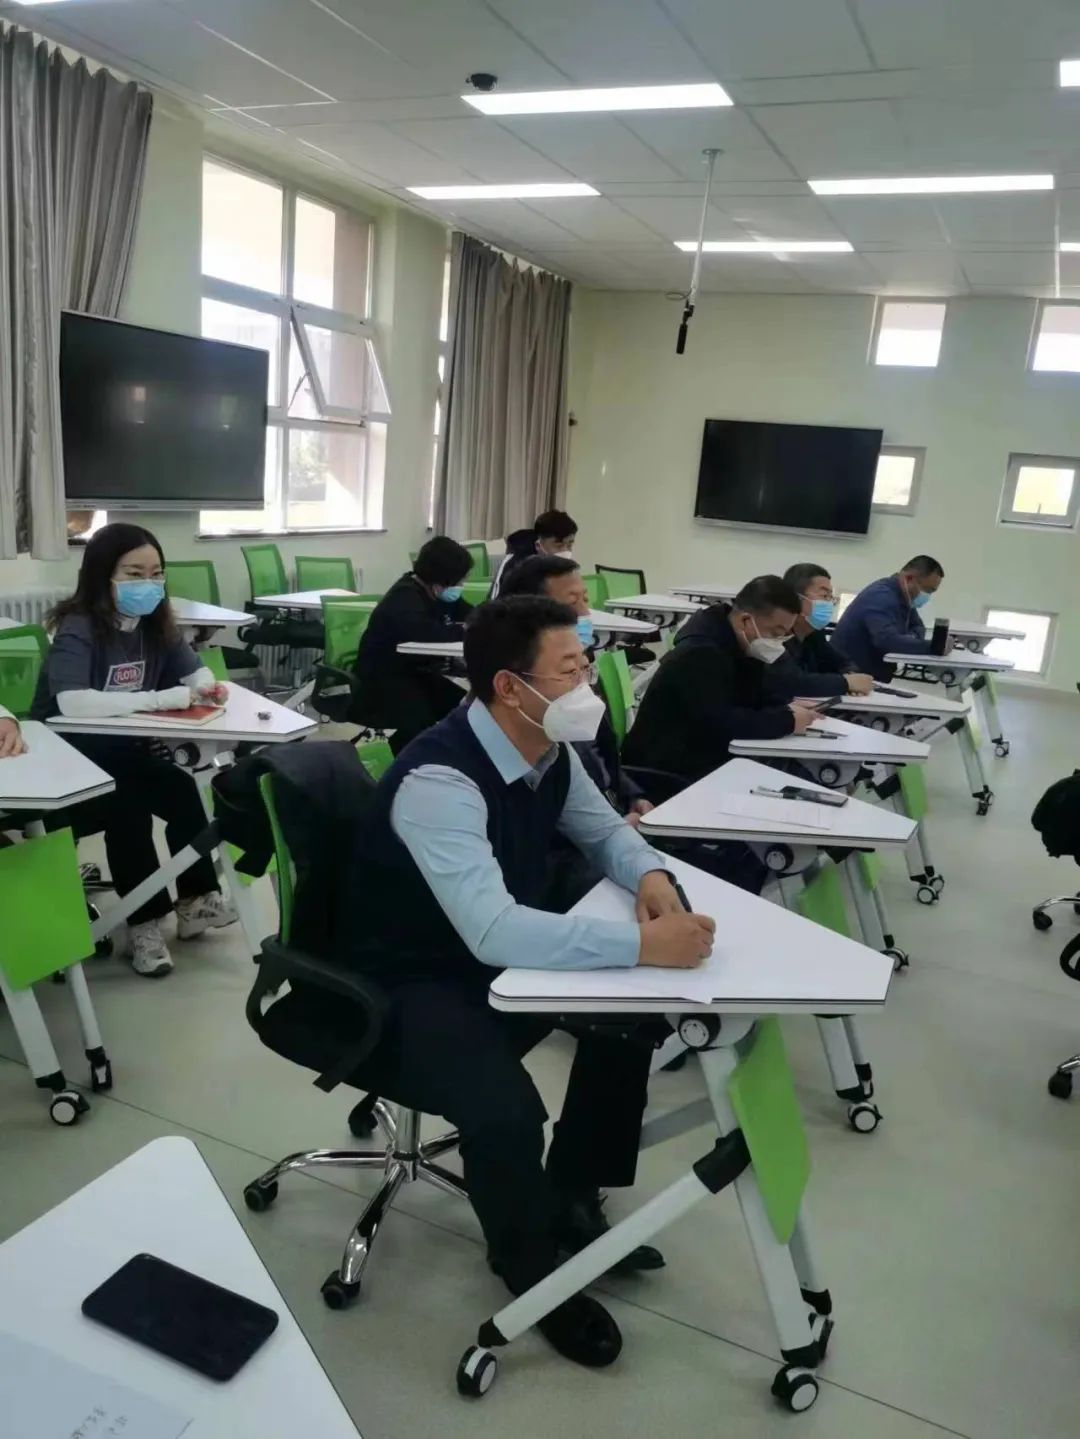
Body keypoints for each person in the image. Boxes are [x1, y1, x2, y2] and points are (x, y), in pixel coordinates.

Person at [335, 596, 715, 1368]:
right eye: (570, 670)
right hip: (409, 976)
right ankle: (532, 1271)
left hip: (484, 958)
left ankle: (571, 1190)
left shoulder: (547, 747)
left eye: (585, 664)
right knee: (507, 1110)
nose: (588, 685)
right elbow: (495, 930)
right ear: (511, 686)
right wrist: (643, 944)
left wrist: (652, 877)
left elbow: (603, 830)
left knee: (629, 1020)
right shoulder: (441, 779)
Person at [29, 523, 236, 977]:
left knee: (185, 793)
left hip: (123, 752)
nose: (148, 583)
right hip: (69, 763)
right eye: (134, 573)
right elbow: (73, 701)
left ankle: (194, 900)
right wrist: (161, 699)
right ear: (103, 576)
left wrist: (207, 686)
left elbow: (194, 672)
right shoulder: (79, 627)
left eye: (156, 573)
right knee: (129, 808)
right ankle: (142, 923)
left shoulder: (156, 624)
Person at [499, 554, 652, 826]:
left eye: (586, 600)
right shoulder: (525, 701)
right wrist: (616, 827)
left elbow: (601, 756)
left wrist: (631, 796)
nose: (585, 614)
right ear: (531, 611)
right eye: (572, 604)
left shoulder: (581, 669)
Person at [623, 576, 818, 788]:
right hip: (666, 773)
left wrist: (785, 707)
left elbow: (749, 698)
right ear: (745, 621)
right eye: (775, 633)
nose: (778, 642)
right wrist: (787, 721)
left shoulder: (735, 644)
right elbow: (721, 724)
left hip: (698, 757)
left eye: (784, 635)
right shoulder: (700, 655)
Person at [351, 536, 473, 754]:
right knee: (421, 720)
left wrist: (487, 621)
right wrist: (467, 630)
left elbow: (471, 614)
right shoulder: (404, 598)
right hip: (383, 680)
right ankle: (398, 761)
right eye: (457, 581)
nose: (459, 587)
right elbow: (430, 634)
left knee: (463, 705)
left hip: (416, 674)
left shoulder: (436, 593)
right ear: (440, 581)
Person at [760, 563, 874, 701]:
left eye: (831, 598)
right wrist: (846, 683)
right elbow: (793, 682)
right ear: (796, 599)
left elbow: (842, 662)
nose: (829, 603)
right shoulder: (775, 635)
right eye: (824, 595)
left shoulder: (814, 634)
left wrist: (852, 676)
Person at [831, 556, 945, 682]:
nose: (927, 596)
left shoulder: (904, 597)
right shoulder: (881, 596)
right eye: (927, 590)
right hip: (848, 675)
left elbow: (918, 627)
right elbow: (887, 641)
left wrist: (906, 639)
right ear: (909, 578)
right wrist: (935, 647)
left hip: (869, 674)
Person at [491, 508, 577, 597]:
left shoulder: (567, 570)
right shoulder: (514, 567)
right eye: (558, 546)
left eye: (570, 545)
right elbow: (498, 602)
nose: (565, 551)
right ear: (538, 545)